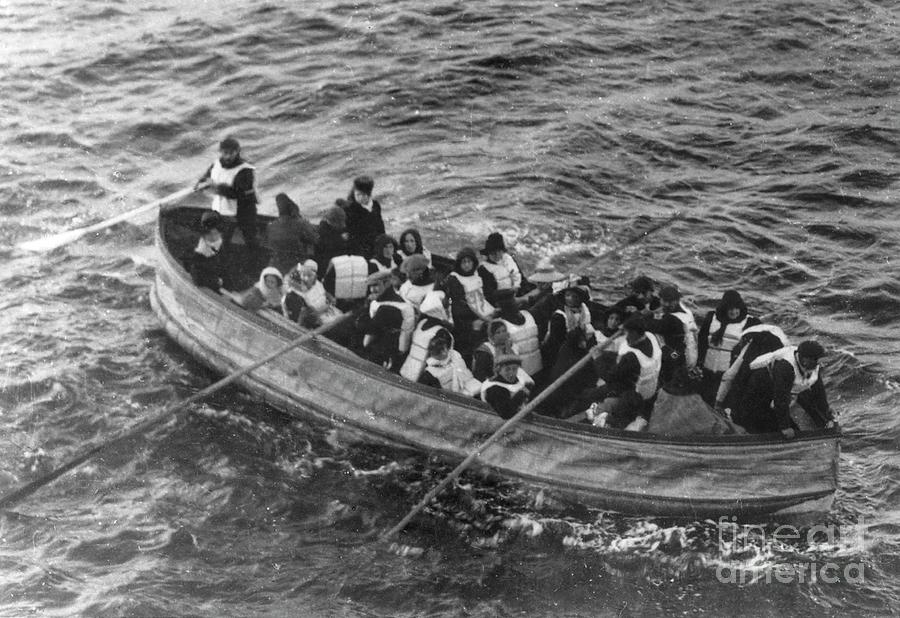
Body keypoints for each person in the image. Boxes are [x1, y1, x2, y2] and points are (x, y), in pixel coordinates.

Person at [729, 340, 834, 436]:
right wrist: (785, 427)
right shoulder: (785, 367)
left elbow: (819, 392)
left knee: (791, 426)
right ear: (805, 360)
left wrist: (827, 414)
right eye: (816, 361)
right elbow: (780, 398)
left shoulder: (814, 365)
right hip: (759, 385)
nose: (819, 364)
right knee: (759, 425)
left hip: (781, 389)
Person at [585, 314, 661, 431]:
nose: (626, 337)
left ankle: (599, 416)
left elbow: (608, 377)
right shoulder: (651, 337)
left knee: (589, 394)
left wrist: (597, 357)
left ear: (635, 333)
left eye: (628, 333)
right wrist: (605, 354)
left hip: (632, 396)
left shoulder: (631, 357)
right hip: (649, 389)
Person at [696, 290, 760, 404]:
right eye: (730, 309)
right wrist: (698, 364)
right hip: (707, 371)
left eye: (737, 308)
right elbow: (701, 342)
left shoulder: (750, 322)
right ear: (724, 308)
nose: (734, 312)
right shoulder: (711, 318)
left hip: (727, 376)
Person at [194, 137, 259, 248]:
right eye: (225, 153)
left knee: (250, 240)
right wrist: (200, 184)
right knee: (222, 241)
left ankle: (254, 255)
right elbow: (205, 178)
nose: (228, 156)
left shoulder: (246, 170)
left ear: (238, 151)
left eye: (231, 153)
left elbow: (238, 193)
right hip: (222, 210)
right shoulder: (215, 165)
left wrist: (217, 187)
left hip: (243, 210)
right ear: (221, 152)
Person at [714, 323, 789, 416]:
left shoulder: (753, 347)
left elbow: (729, 375)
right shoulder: (776, 352)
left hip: (749, 389)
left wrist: (718, 402)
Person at [444, 247, 496, 359]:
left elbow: (483, 296)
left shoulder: (476, 275)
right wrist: (481, 318)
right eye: (464, 262)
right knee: (478, 328)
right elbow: (460, 304)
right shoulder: (454, 278)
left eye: (469, 262)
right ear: (459, 264)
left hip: (481, 310)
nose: (467, 265)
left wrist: (490, 312)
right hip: (464, 317)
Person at [358, 270, 415, 371]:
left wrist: (365, 308)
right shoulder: (399, 300)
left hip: (384, 352)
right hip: (393, 348)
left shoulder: (387, 309)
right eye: (370, 286)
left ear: (387, 283)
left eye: (376, 285)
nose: (372, 290)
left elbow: (366, 334)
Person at [645, 285, 699, 386]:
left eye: (667, 301)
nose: (664, 304)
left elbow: (651, 326)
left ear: (676, 301)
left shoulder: (670, 319)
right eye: (663, 301)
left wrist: (643, 314)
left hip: (678, 358)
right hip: (691, 358)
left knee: (656, 338)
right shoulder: (687, 312)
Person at [542, 278, 596, 375]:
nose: (570, 299)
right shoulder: (559, 316)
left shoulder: (585, 311)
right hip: (561, 352)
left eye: (574, 296)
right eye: (568, 295)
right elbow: (556, 341)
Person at [399, 290, 454, 382]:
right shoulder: (441, 332)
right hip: (423, 379)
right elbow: (439, 364)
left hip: (406, 371)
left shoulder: (422, 323)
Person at [493, 288, 542, 377]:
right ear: (499, 305)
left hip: (539, 367)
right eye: (507, 302)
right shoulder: (498, 325)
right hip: (520, 375)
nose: (511, 304)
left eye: (512, 300)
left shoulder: (528, 314)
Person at [266, 193, 317, 275]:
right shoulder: (300, 224)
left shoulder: (271, 226)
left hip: (277, 266)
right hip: (297, 266)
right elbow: (315, 239)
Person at [283, 260, 342, 328]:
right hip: (316, 313)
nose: (309, 275)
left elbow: (324, 292)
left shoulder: (318, 283)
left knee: (339, 318)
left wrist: (330, 297)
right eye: (306, 272)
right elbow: (290, 281)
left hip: (327, 308)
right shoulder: (300, 287)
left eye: (312, 272)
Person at [418, 334, 482, 397]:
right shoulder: (430, 373)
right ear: (432, 353)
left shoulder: (456, 355)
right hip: (453, 399)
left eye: (444, 348)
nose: (445, 351)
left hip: (470, 387)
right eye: (440, 351)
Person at [524, 258, 567, 342]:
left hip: (543, 333)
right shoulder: (555, 294)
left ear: (546, 283)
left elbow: (531, 314)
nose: (537, 284)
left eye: (539, 282)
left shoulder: (548, 298)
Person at [481, 354, 535, 420]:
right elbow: (506, 414)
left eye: (514, 369)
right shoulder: (494, 388)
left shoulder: (520, 380)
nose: (511, 373)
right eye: (507, 369)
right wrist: (522, 393)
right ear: (499, 370)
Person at [343, 175, 385, 259]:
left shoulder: (375, 205)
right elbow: (350, 233)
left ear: (369, 194)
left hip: (376, 244)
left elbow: (380, 226)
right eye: (357, 194)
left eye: (363, 195)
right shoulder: (349, 209)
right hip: (359, 249)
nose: (360, 198)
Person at [190, 211, 232, 292]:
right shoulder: (200, 253)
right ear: (205, 234)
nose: (214, 237)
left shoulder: (218, 242)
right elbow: (197, 278)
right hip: (212, 286)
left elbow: (224, 263)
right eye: (210, 234)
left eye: (217, 233)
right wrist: (216, 282)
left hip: (222, 278)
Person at [477, 232, 524, 304]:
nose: (497, 255)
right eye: (493, 253)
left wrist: (518, 287)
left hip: (518, 293)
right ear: (488, 253)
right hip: (501, 301)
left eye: (499, 251)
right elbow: (490, 294)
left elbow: (521, 277)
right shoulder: (483, 269)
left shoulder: (509, 259)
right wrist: (510, 292)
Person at [315, 203, 349, 273]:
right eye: (340, 223)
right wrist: (340, 239)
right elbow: (328, 244)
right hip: (329, 261)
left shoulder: (336, 226)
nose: (343, 225)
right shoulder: (322, 231)